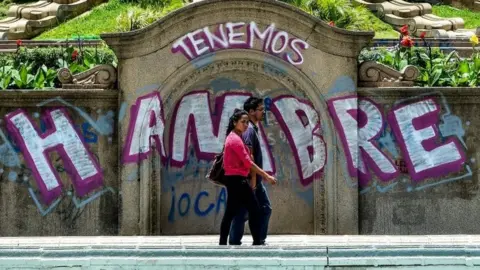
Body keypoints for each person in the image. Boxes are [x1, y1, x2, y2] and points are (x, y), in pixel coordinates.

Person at [219, 108, 277, 246]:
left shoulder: (235, 137)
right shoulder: (235, 139)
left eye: (247, 122)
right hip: (238, 180)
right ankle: (257, 242)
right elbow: (248, 162)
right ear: (235, 123)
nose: (245, 125)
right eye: (242, 122)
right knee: (255, 210)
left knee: (231, 213)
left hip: (235, 180)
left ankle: (223, 243)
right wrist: (266, 176)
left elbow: (247, 159)